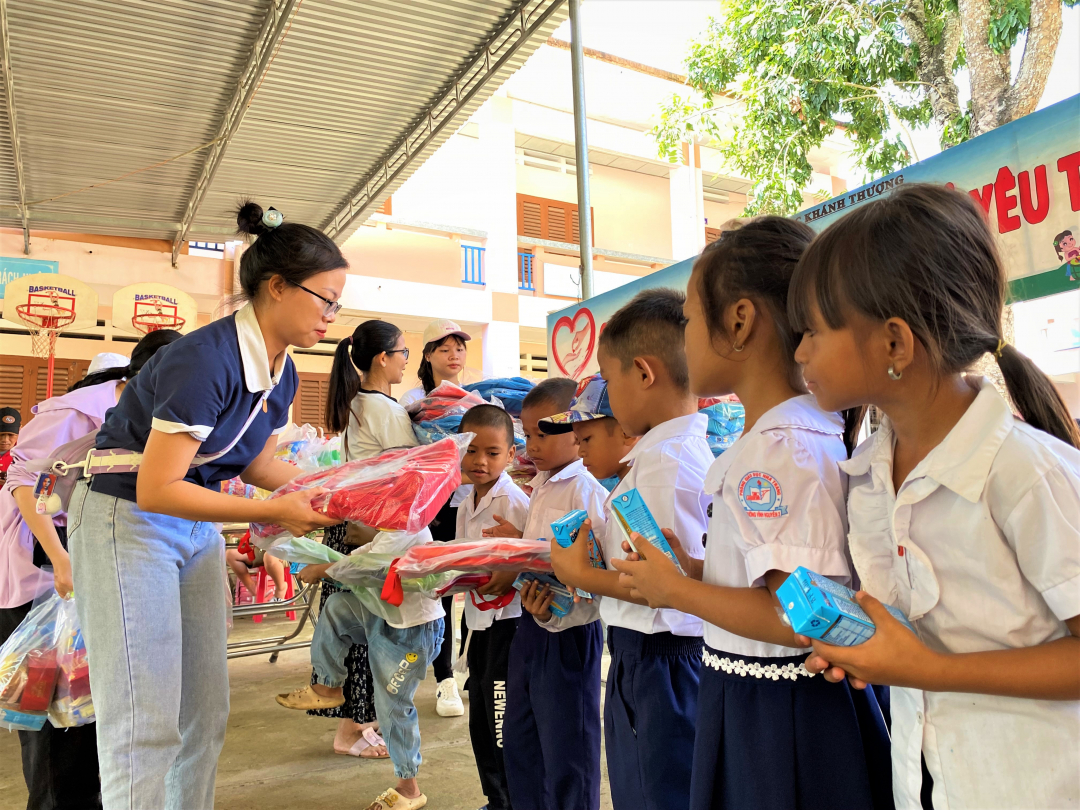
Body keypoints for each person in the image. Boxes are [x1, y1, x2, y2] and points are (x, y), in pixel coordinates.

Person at [788, 183, 1080, 810]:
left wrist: (921, 669)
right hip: (925, 783)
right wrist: (864, 643)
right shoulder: (869, 473)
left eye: (813, 331)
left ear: (894, 343)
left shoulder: (1024, 472)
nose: (801, 352)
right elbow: (917, 632)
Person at [67, 201, 345, 810]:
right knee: (144, 719)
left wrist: (338, 491)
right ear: (277, 287)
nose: (332, 315)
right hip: (127, 520)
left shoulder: (283, 368)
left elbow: (254, 461)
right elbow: (156, 488)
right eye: (326, 299)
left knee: (203, 713)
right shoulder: (205, 359)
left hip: (191, 525)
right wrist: (276, 513)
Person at [612, 221, 892, 810]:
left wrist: (675, 591)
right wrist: (693, 569)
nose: (684, 337)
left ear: (739, 321)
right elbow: (774, 582)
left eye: (689, 319)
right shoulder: (790, 434)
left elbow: (799, 617)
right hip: (763, 697)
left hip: (776, 715)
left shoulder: (777, 448)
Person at [548, 291, 713, 810]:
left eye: (609, 379)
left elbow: (663, 589)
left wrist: (576, 571)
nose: (610, 397)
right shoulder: (658, 458)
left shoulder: (666, 464)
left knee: (658, 793)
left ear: (643, 373)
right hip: (644, 659)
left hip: (661, 663)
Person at [0, 336, 180, 810]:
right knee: (53, 723)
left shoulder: (155, 420)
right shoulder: (77, 413)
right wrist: (60, 557)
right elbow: (25, 482)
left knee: (89, 714)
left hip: (93, 576)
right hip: (41, 582)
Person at [492, 378, 609, 810]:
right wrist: (517, 541)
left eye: (543, 433)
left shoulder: (587, 490)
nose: (531, 444)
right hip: (530, 626)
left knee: (567, 745)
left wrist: (559, 603)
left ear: (576, 434)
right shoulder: (541, 483)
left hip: (569, 635)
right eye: (526, 433)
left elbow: (597, 572)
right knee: (523, 738)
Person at [278, 528, 445, 810]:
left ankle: (409, 787)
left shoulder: (409, 523)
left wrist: (324, 569)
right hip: (382, 615)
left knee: (392, 705)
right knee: (337, 607)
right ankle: (328, 686)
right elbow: (359, 555)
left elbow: (368, 563)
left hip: (410, 633)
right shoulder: (390, 526)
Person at [313, 317, 419, 758]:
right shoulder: (385, 409)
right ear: (383, 358)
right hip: (371, 530)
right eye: (403, 355)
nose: (404, 363)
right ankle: (356, 728)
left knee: (351, 627)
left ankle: (355, 724)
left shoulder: (358, 401)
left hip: (351, 525)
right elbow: (407, 472)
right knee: (370, 631)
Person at [455, 405, 530, 810]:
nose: (480, 460)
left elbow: (529, 563)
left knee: (502, 720)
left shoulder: (513, 502)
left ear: (512, 455)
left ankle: (513, 801)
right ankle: (495, 799)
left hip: (508, 625)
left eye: (492, 452)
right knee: (480, 719)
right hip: (478, 623)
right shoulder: (467, 500)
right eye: (471, 450)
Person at [399, 318, 473, 718]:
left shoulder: (475, 396)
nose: (454, 354)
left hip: (470, 501)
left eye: (459, 347)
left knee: (476, 583)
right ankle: (444, 679)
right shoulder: (412, 400)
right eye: (444, 348)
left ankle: (470, 668)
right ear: (428, 355)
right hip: (434, 505)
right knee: (440, 591)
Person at [0, 407, 21, 486]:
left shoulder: (25, 454)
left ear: (20, 429)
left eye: (11, 435)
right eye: (1, 435)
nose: (5, 440)